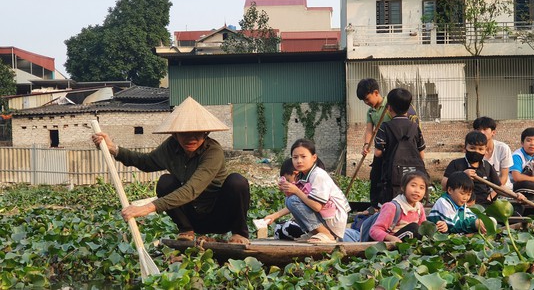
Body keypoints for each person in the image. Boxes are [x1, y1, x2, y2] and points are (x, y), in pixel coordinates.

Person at [91, 97, 250, 244]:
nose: (191, 139)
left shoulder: (213, 151)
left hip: (220, 216)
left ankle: (239, 233)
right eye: (184, 134)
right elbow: (146, 162)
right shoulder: (171, 147)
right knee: (165, 182)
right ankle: (186, 229)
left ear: (206, 133)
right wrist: (114, 149)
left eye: (197, 134)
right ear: (174, 134)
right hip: (193, 217)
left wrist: (147, 208)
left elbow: (192, 190)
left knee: (237, 181)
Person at [356, 78, 419, 212]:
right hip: (381, 149)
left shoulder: (391, 105)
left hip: (396, 151)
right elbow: (369, 130)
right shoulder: (371, 112)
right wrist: (366, 145)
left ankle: (394, 206)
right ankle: (374, 206)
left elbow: (409, 125)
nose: (367, 103)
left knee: (392, 178)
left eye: (367, 99)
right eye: (364, 101)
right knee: (375, 176)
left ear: (376, 92)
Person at [279, 138, 351, 244]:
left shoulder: (318, 175)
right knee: (289, 200)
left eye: (303, 157)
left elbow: (317, 206)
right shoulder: (303, 175)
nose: (299, 161)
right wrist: (286, 189)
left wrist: (296, 191)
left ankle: (327, 234)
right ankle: (315, 233)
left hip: (334, 219)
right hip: (325, 216)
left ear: (314, 158)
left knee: (293, 199)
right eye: (295, 157)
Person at [374, 88, 426, 205]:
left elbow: (378, 152)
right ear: (408, 108)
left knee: (392, 206)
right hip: (413, 175)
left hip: (392, 177)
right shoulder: (414, 127)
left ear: (389, 108)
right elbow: (421, 154)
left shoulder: (385, 127)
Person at [442, 131, 503, 206]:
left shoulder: (487, 166)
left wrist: (517, 195)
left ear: (485, 149)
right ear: (465, 148)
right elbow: (444, 185)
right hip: (461, 206)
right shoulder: (456, 164)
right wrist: (463, 176)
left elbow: (499, 187)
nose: (476, 152)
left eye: (480, 149)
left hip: (483, 207)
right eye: (472, 148)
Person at [367, 170, 428, 242]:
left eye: (421, 188)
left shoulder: (419, 207)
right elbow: (374, 231)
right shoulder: (392, 207)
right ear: (403, 187)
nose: (417, 190)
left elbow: (423, 229)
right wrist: (391, 238)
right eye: (413, 185)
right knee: (414, 228)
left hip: (408, 244)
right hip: (389, 244)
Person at [473, 116, 514, 190]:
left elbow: (503, 176)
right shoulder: (473, 150)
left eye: (485, 129)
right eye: (478, 129)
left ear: (493, 132)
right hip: (482, 190)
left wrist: (493, 193)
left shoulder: (503, 148)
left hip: (502, 189)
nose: (481, 132)